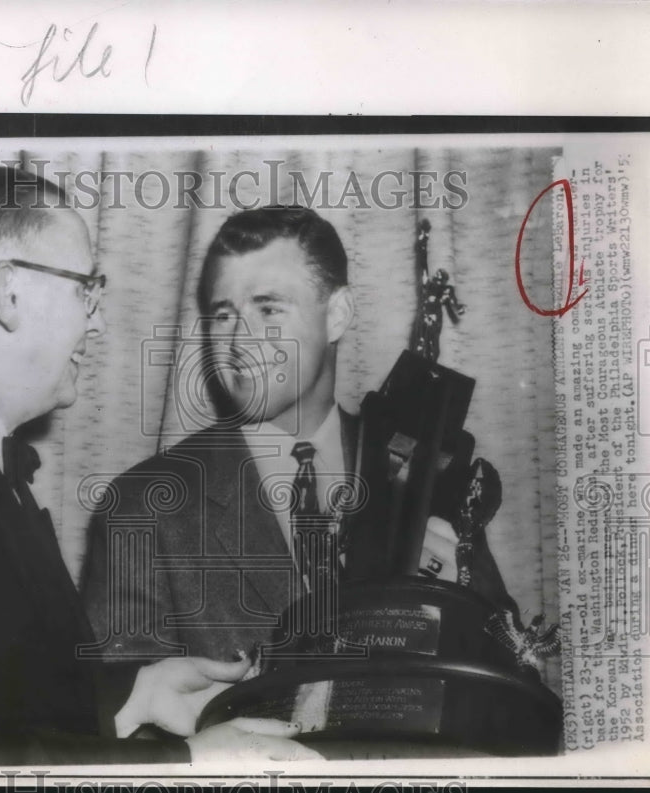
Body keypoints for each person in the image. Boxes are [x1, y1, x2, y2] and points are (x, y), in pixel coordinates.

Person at [0, 167, 319, 768]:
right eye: (86, 290)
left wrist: (134, 693)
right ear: (9, 292)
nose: (96, 322)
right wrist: (188, 766)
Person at [81, 206, 519, 669]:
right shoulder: (142, 507)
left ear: (338, 314)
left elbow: (517, 672)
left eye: (268, 309)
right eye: (224, 315)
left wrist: (459, 610)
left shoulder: (427, 465)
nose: (239, 343)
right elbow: (120, 720)